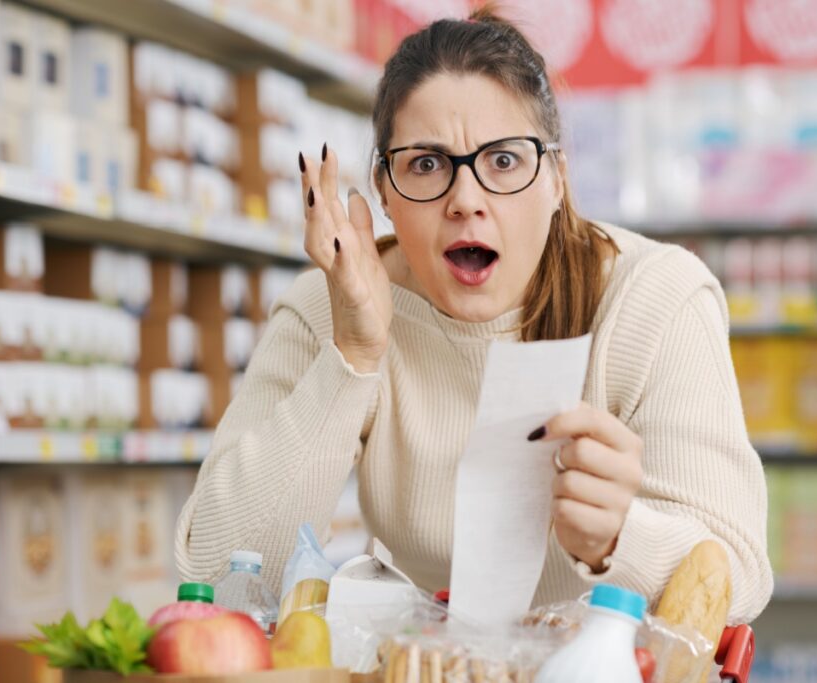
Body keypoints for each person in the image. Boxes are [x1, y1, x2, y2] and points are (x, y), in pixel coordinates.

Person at [175, 7, 773, 623]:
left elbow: (739, 579)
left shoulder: (654, 299)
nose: (466, 201)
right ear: (383, 193)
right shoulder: (329, 305)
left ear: (557, 178)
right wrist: (353, 357)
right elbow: (216, 575)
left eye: (505, 161)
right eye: (426, 164)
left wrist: (621, 538)